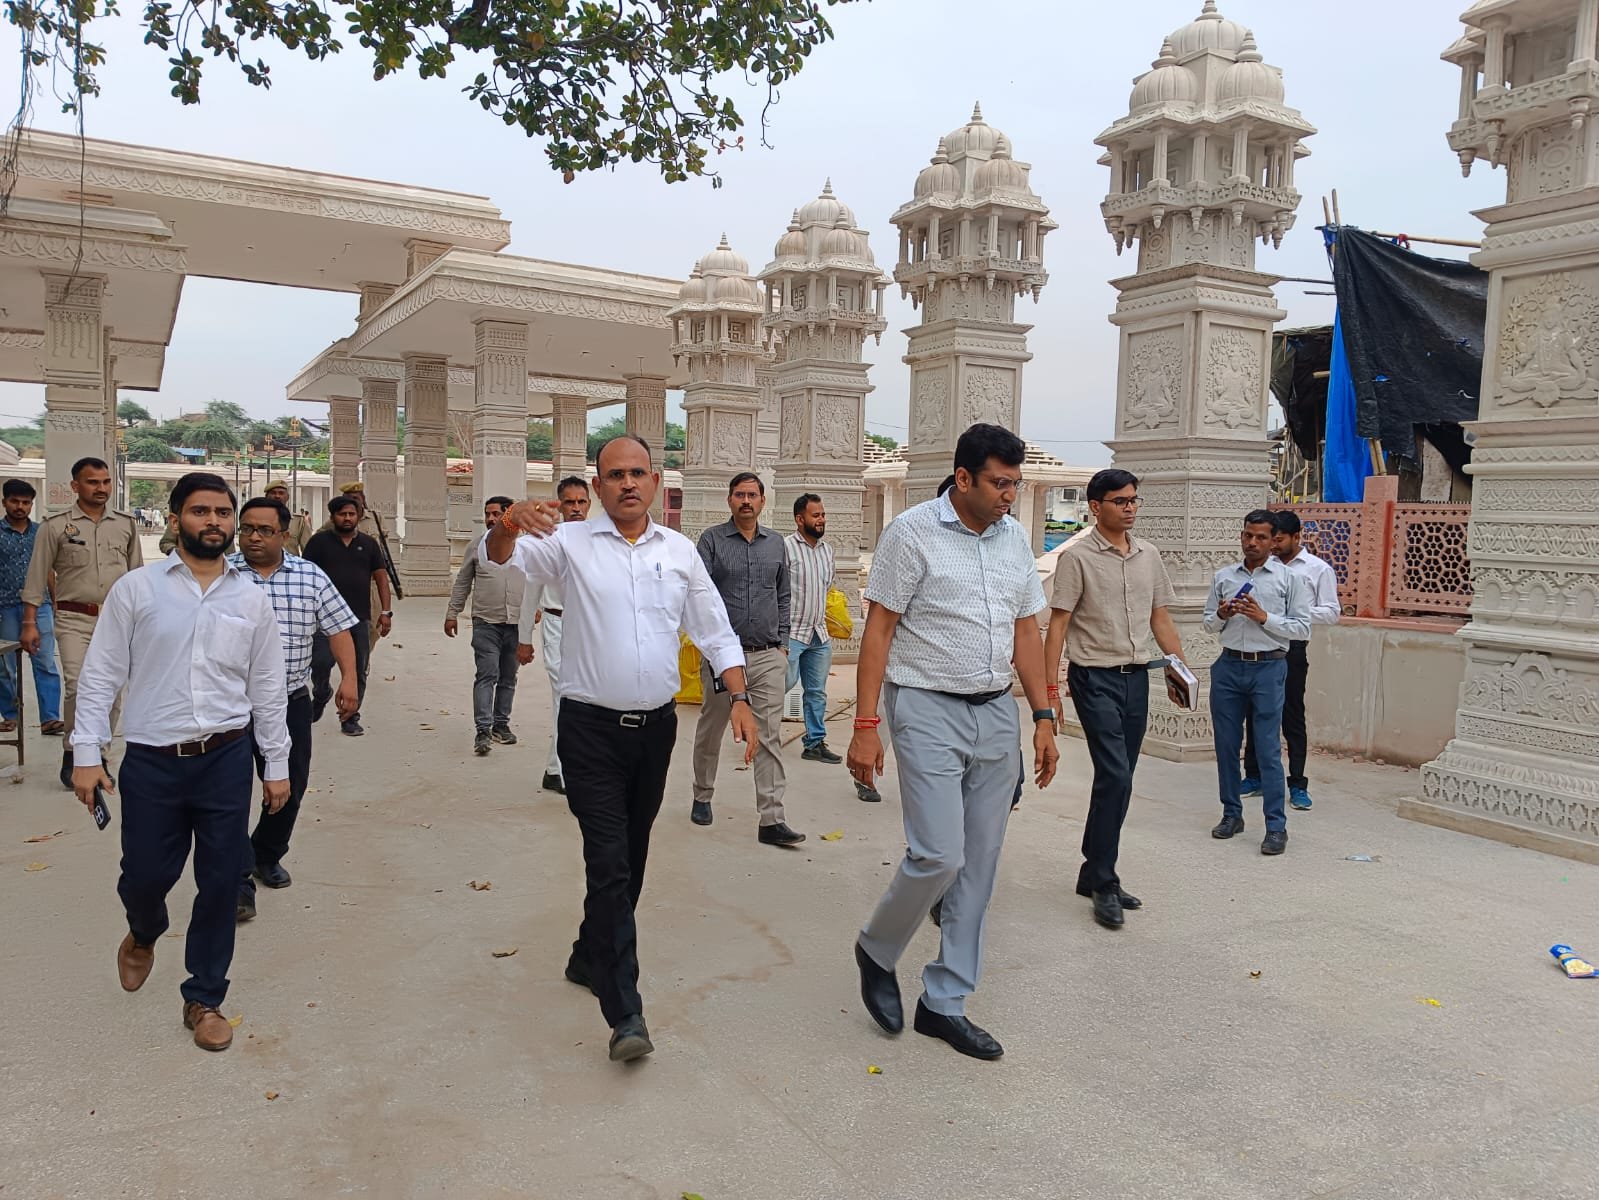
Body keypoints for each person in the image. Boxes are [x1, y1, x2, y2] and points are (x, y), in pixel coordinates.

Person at [484, 435, 756, 1064]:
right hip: (589, 731)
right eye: (615, 475)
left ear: (655, 481)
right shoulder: (568, 543)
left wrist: (739, 696)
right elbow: (502, 558)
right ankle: (625, 1009)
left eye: (638, 473)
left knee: (630, 857)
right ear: (598, 485)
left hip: (655, 731)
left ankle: (588, 954)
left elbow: (714, 629)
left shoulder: (679, 552)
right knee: (607, 860)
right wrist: (508, 522)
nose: (628, 483)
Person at [847, 424, 1058, 1061]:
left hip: (995, 711)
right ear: (963, 478)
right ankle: (877, 947)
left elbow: (1025, 632)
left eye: (1015, 484)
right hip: (925, 706)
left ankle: (945, 1001)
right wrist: (865, 727)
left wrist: (1043, 715)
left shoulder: (1013, 538)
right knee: (940, 854)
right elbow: (878, 631)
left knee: (980, 862)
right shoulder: (911, 533)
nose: (1009, 495)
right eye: (999, 483)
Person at [70, 472, 290, 1052]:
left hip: (225, 758)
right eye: (200, 511)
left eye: (222, 513)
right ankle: (144, 931)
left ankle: (205, 997)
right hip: (152, 760)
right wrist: (86, 754)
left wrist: (276, 764)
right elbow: (100, 675)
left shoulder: (250, 598)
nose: (213, 522)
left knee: (221, 881)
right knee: (145, 875)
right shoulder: (137, 590)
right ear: (175, 519)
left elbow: (267, 688)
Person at [1043, 467, 1188, 931]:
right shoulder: (1077, 558)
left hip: (1137, 678)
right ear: (1095, 506)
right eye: (1120, 501)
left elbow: (1160, 617)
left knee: (1120, 778)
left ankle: (1094, 871)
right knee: (1116, 774)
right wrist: (1050, 691)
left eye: (1133, 500)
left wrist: (1179, 670)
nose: (1129, 509)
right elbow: (1058, 625)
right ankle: (1104, 880)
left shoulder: (1149, 555)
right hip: (1093, 678)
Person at [228, 497, 360, 921]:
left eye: (264, 530)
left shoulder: (310, 576)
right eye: (247, 529)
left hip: (289, 701)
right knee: (229, 794)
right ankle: (238, 883)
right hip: (229, 707)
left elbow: (338, 629)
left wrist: (350, 680)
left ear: (284, 535)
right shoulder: (222, 574)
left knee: (289, 785)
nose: (253, 537)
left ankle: (266, 853)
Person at [690, 472, 803, 845]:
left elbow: (783, 594)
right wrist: (709, 646)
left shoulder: (776, 544)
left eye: (752, 495)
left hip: (768, 654)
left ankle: (771, 818)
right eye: (739, 495)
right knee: (712, 728)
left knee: (768, 735)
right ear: (730, 500)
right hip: (725, 658)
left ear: (763, 501)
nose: (746, 501)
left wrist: (783, 644)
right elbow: (699, 595)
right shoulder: (712, 541)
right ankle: (702, 794)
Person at [21, 457, 143, 789]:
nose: (101, 488)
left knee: (112, 690)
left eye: (106, 482)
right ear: (76, 486)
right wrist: (30, 621)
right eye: (92, 482)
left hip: (117, 620)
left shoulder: (125, 524)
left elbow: (137, 577)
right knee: (78, 685)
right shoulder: (55, 526)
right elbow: (36, 575)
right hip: (74, 617)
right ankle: (73, 752)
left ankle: (98, 755)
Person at [1204, 510, 1312, 856]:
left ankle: (1276, 826)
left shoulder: (1289, 579)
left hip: (1268, 667)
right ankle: (1231, 814)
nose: (1252, 543)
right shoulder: (1224, 576)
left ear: (1273, 541)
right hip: (1229, 666)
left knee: (1267, 748)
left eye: (1261, 537)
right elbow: (1208, 624)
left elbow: (1302, 628)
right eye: (1248, 535)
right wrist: (1222, 614)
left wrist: (1264, 617)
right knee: (1225, 745)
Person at [1240, 510, 1340, 811]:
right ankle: (1254, 776)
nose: (1273, 545)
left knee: (1291, 715)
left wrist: (1293, 613)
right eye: (1271, 540)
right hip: (1260, 644)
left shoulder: (1317, 569)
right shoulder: (1262, 568)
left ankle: (1297, 782)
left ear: (1297, 537)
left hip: (1292, 649)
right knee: (1255, 712)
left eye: (1279, 540)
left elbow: (1331, 612)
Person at [517, 475, 590, 794]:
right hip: (556, 624)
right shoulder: (546, 541)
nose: (576, 508)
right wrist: (524, 639)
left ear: (589, 503)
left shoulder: (599, 539)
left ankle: (553, 769)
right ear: (559, 505)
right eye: (569, 502)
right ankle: (561, 771)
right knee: (565, 697)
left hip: (589, 629)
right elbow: (530, 593)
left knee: (582, 699)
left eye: (581, 501)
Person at [302, 495, 390, 736]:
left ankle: (350, 717)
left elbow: (381, 578)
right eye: (342, 514)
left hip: (359, 618)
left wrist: (385, 611)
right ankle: (321, 692)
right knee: (320, 662)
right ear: (333, 517)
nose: (347, 518)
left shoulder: (369, 544)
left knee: (358, 669)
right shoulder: (319, 543)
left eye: (352, 514)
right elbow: (305, 577)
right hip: (324, 618)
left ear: (359, 516)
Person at [447, 495, 525, 757]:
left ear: (509, 517)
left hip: (516, 624)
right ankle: (483, 730)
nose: (491, 519)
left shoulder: (526, 548)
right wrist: (452, 612)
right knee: (487, 675)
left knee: (508, 677)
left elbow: (538, 580)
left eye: (496, 514)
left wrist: (535, 608)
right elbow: (463, 582)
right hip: (485, 624)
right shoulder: (476, 546)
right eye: (487, 514)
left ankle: (501, 725)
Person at [0, 479, 63, 736]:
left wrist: (55, 601)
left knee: (46, 662)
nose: (20, 507)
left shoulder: (41, 533)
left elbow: (48, 570)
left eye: (26, 502)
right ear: (4, 502)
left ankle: (50, 718)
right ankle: (10, 715)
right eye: (14, 501)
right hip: (5, 607)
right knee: (5, 666)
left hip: (41, 606)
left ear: (31, 505)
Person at [784, 493, 839, 763]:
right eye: (815, 515)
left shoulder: (827, 551)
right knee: (780, 686)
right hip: (792, 633)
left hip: (819, 633)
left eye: (823, 515)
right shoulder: (785, 548)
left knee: (816, 693)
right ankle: (759, 735)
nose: (821, 520)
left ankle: (814, 743)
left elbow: (827, 587)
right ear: (799, 519)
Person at [322, 482, 398, 653]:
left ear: (363, 499)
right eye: (349, 498)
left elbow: (383, 547)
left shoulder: (376, 518)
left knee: (373, 629)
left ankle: (363, 660)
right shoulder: (334, 522)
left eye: (356, 498)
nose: (353, 502)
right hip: (343, 585)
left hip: (371, 584)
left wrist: (386, 609)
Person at [262, 480, 313, 555]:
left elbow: (308, 551)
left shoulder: (299, 521)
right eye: (273, 493)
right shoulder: (257, 519)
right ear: (266, 497)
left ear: (287, 497)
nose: (277, 496)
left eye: (281, 493)